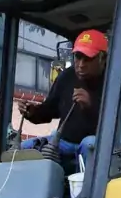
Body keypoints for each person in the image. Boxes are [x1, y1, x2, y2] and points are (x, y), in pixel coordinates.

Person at [19, 29, 108, 173]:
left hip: (95, 145)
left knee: (89, 144)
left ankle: (86, 194)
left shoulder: (113, 80)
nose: (80, 64)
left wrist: (90, 106)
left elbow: (117, 125)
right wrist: (33, 112)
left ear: (102, 58)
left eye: (88, 59)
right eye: (77, 57)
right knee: (23, 149)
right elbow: (49, 111)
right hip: (63, 142)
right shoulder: (67, 76)